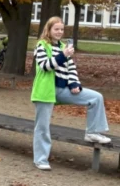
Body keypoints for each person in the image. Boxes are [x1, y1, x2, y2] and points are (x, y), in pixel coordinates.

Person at [31, 15, 112, 171]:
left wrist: (74, 83)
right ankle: (40, 159)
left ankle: (93, 132)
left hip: (63, 89)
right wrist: (64, 55)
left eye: (62, 29)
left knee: (96, 98)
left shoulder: (64, 46)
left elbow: (71, 68)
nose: (59, 32)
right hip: (45, 91)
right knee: (42, 126)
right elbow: (46, 66)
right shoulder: (41, 46)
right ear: (49, 30)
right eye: (56, 29)